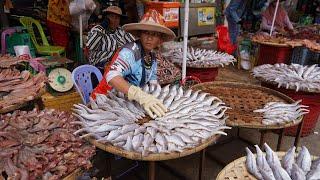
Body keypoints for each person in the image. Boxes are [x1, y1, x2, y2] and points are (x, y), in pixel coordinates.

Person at [91, 9, 176, 118]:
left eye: (154, 34)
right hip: (104, 102)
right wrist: (139, 95)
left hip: (124, 103)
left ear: (160, 40)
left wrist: (156, 97)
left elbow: (153, 82)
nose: (149, 38)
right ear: (140, 34)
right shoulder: (130, 52)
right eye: (146, 32)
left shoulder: (151, 56)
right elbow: (111, 76)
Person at [86, 6, 135, 71]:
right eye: (111, 17)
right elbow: (91, 46)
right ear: (106, 18)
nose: (114, 20)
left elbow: (134, 44)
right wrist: (103, 27)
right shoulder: (97, 29)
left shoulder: (122, 31)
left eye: (117, 18)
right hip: (99, 65)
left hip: (119, 64)